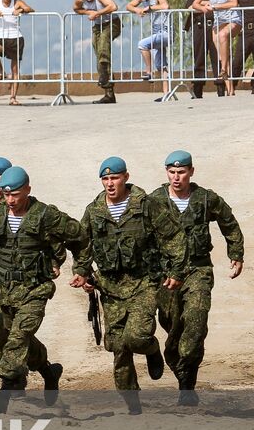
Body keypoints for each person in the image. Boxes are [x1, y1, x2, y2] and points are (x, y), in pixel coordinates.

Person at [0, 166, 86, 413]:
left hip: (35, 290)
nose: (10, 200)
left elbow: (79, 236)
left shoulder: (45, 215)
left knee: (20, 336)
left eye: (16, 195)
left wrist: (81, 269)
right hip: (2, 291)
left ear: (28, 190)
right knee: (6, 337)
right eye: (7, 195)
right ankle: (48, 371)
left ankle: (6, 388)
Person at [70, 156, 184, 414]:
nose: (110, 184)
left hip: (143, 282)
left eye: (115, 178)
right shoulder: (94, 210)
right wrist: (83, 274)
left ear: (126, 177)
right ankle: (132, 403)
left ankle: (153, 350)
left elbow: (174, 237)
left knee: (136, 337)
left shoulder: (145, 206)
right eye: (105, 179)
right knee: (118, 347)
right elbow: (83, 246)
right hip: (110, 287)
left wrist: (176, 271)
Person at [157, 151, 243, 405]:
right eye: (172, 172)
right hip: (165, 274)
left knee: (195, 322)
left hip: (198, 270)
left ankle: (187, 384)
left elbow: (229, 223)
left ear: (191, 172)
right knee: (172, 327)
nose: (176, 177)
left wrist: (236, 253)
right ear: (166, 173)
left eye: (181, 172)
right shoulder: (154, 201)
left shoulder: (205, 199)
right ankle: (179, 365)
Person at [190, 0, 241, 96]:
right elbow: (194, 3)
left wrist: (216, 6)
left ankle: (223, 69)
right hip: (218, 22)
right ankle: (230, 90)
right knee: (222, 55)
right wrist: (204, 8)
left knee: (223, 35)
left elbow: (234, 2)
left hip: (232, 20)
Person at [73, 0, 120, 104]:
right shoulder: (79, 0)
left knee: (104, 44)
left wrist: (97, 13)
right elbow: (76, 9)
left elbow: (113, 6)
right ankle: (109, 94)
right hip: (98, 26)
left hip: (112, 23)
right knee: (99, 54)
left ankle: (104, 73)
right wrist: (88, 12)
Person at [126, 0, 172, 99]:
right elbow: (128, 6)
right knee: (161, 64)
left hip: (166, 32)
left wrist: (150, 8)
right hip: (157, 33)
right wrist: (138, 10)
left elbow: (165, 5)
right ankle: (166, 94)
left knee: (142, 44)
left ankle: (148, 72)